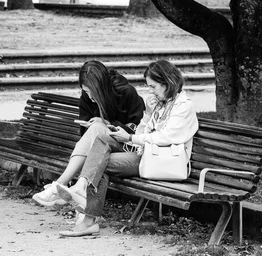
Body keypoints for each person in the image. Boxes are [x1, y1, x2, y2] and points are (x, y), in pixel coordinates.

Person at [55, 59, 199, 237]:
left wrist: (130, 137)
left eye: (153, 87)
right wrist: (147, 114)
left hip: (161, 160)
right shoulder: (161, 104)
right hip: (145, 154)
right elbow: (143, 130)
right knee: (102, 139)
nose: (150, 91)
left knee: (101, 162)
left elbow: (165, 137)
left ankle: (88, 218)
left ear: (167, 82)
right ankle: (81, 188)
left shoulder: (183, 106)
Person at [31, 60, 145, 208]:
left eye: (92, 91)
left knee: (98, 126)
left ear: (101, 87)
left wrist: (107, 123)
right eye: (85, 91)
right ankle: (71, 191)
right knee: (96, 129)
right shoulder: (86, 97)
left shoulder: (125, 92)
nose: (89, 96)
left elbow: (140, 129)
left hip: (129, 147)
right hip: (98, 149)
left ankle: (59, 185)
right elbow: (86, 135)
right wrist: (96, 124)